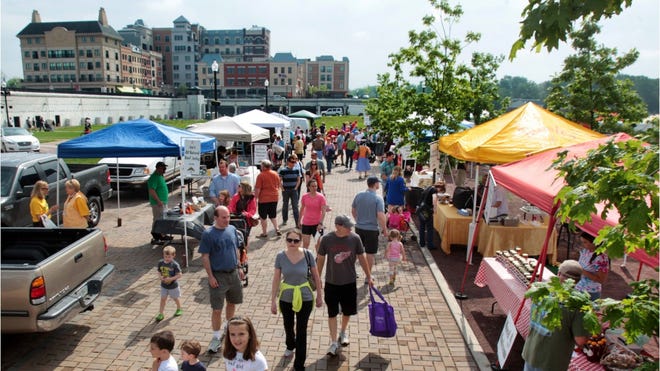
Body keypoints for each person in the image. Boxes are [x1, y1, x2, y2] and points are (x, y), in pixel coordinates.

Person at [317, 215, 373, 357]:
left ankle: (343, 332)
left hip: (349, 282)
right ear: (338, 226)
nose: (350, 228)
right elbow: (321, 260)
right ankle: (334, 342)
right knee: (332, 312)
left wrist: (368, 275)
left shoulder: (355, 238)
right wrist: (317, 279)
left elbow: (362, 257)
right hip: (331, 282)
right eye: (347, 226)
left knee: (347, 311)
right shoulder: (327, 239)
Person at [522, 260, 589, 371]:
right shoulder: (577, 305)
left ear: (558, 274)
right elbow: (581, 340)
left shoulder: (541, 290)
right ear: (578, 281)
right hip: (552, 361)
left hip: (531, 352)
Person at [270, 230, 323, 370]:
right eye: (289, 240)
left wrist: (319, 295)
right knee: (288, 325)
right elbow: (276, 278)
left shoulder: (308, 254)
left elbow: (316, 276)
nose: (292, 243)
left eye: (296, 240)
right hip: (286, 297)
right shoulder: (280, 256)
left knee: (301, 329)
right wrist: (272, 301)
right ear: (286, 240)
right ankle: (290, 344)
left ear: (300, 241)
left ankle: (299, 363)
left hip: (305, 297)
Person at [199, 206, 246, 353]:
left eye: (228, 217)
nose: (227, 220)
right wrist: (211, 277)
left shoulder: (232, 229)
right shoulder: (208, 234)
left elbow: (236, 249)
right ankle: (216, 337)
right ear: (215, 218)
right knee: (217, 309)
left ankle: (228, 326)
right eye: (224, 217)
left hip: (233, 273)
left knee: (232, 303)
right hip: (218, 276)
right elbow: (205, 257)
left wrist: (239, 267)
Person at [351, 177, 388, 280]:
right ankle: (368, 276)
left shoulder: (359, 195)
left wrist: (358, 220)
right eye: (378, 183)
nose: (379, 185)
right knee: (370, 253)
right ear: (375, 184)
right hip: (372, 229)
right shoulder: (378, 198)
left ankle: (351, 272)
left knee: (357, 251)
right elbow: (380, 215)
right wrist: (384, 229)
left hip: (359, 228)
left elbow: (353, 210)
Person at [576, 231, 609, 300]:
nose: (583, 244)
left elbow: (601, 280)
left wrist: (582, 271)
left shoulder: (601, 258)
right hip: (579, 287)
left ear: (594, 242)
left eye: (585, 242)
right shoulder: (585, 251)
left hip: (591, 292)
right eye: (582, 242)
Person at [254, 160, 281, 238]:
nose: (260, 167)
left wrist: (255, 198)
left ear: (264, 167)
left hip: (264, 199)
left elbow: (258, 188)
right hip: (274, 197)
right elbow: (278, 185)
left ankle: (264, 233)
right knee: (273, 215)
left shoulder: (261, 175)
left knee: (263, 217)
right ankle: (277, 229)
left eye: (261, 165)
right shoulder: (275, 173)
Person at [155, 246, 183, 321]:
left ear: (173, 256)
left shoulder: (174, 264)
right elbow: (158, 271)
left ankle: (179, 308)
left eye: (169, 257)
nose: (167, 258)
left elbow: (180, 274)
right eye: (165, 256)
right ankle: (161, 313)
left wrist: (171, 279)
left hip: (173, 286)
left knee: (175, 298)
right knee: (163, 299)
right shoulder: (160, 262)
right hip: (164, 286)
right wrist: (160, 277)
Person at [148, 161, 172, 244]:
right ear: (158, 168)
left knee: (163, 219)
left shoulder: (160, 176)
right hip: (158, 203)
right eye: (163, 168)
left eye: (165, 168)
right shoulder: (154, 177)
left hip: (163, 202)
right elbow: (152, 190)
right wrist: (158, 201)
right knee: (158, 219)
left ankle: (162, 235)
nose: (164, 170)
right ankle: (156, 236)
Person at [416, 181, 445, 250]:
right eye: (441, 191)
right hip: (427, 210)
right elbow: (434, 199)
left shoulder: (429, 187)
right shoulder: (434, 190)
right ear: (440, 188)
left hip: (421, 209)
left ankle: (422, 243)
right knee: (430, 228)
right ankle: (430, 244)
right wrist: (435, 209)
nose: (439, 193)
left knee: (422, 226)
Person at [299, 179, 327, 249]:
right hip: (306, 224)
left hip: (317, 225)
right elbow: (302, 209)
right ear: (309, 187)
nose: (315, 188)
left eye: (316, 186)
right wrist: (299, 220)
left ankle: (318, 259)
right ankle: (305, 258)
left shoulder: (321, 197)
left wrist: (320, 223)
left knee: (318, 244)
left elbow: (323, 212)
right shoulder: (304, 196)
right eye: (312, 186)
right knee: (305, 244)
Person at [279, 154, 302, 229]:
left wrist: (296, 188)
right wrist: (282, 188)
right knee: (285, 205)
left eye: (294, 162)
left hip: (294, 191)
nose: (293, 163)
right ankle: (284, 219)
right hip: (286, 191)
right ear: (288, 162)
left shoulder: (296, 170)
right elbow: (279, 180)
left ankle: (297, 223)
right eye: (292, 162)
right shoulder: (283, 170)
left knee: (295, 206)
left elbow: (299, 179)